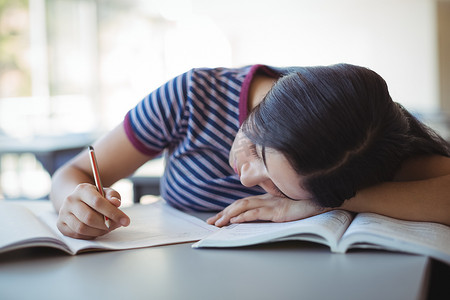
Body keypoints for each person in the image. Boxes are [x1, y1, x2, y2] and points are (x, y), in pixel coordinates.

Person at [50, 63, 450, 240]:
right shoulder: (191, 96)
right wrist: (75, 205)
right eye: (256, 149)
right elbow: (73, 173)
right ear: (267, 106)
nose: (245, 179)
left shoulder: (355, 145)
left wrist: (330, 201)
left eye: (280, 187)